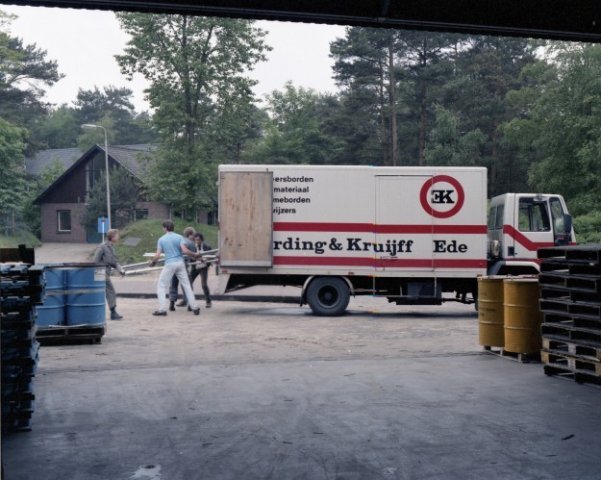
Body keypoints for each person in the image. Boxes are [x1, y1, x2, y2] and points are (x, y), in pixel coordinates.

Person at [150, 220, 200, 316]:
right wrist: (195, 255)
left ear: (165, 228)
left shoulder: (161, 239)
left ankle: (162, 310)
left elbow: (158, 255)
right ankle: (195, 307)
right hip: (180, 263)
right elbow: (185, 250)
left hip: (170, 263)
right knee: (187, 286)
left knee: (161, 286)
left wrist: (153, 262)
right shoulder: (179, 237)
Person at [93, 228, 125, 320]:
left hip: (105, 272)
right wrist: (97, 272)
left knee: (103, 292)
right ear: (112, 237)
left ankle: (109, 312)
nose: (118, 237)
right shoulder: (102, 247)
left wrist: (121, 270)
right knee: (110, 291)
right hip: (100, 272)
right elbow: (95, 261)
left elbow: (113, 262)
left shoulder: (111, 247)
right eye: (117, 236)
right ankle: (113, 312)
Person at [178, 232, 213, 309]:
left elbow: (210, 257)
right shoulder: (192, 246)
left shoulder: (207, 247)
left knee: (204, 285)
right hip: (195, 267)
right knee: (188, 283)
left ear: (202, 240)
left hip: (203, 267)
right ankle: (187, 301)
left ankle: (208, 301)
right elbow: (189, 256)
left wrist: (206, 262)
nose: (197, 241)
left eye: (199, 240)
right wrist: (194, 258)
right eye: (196, 240)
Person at [168, 226, 197, 311]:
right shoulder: (190, 243)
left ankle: (172, 303)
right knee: (187, 285)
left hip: (173, 264)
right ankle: (190, 304)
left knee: (173, 284)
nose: (194, 237)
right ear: (190, 234)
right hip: (182, 266)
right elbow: (193, 257)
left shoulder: (178, 241)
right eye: (193, 235)